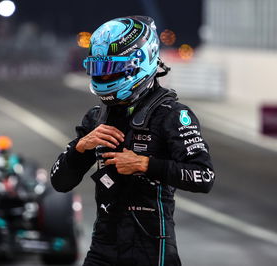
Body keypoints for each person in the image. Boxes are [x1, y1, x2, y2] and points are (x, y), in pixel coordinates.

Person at [50, 15, 215, 266]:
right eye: (99, 70)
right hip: (102, 248)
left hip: (153, 251)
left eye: (111, 70)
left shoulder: (173, 115)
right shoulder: (96, 117)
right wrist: (80, 147)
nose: (104, 78)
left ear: (139, 62)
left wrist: (145, 165)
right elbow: (60, 183)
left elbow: (204, 176)